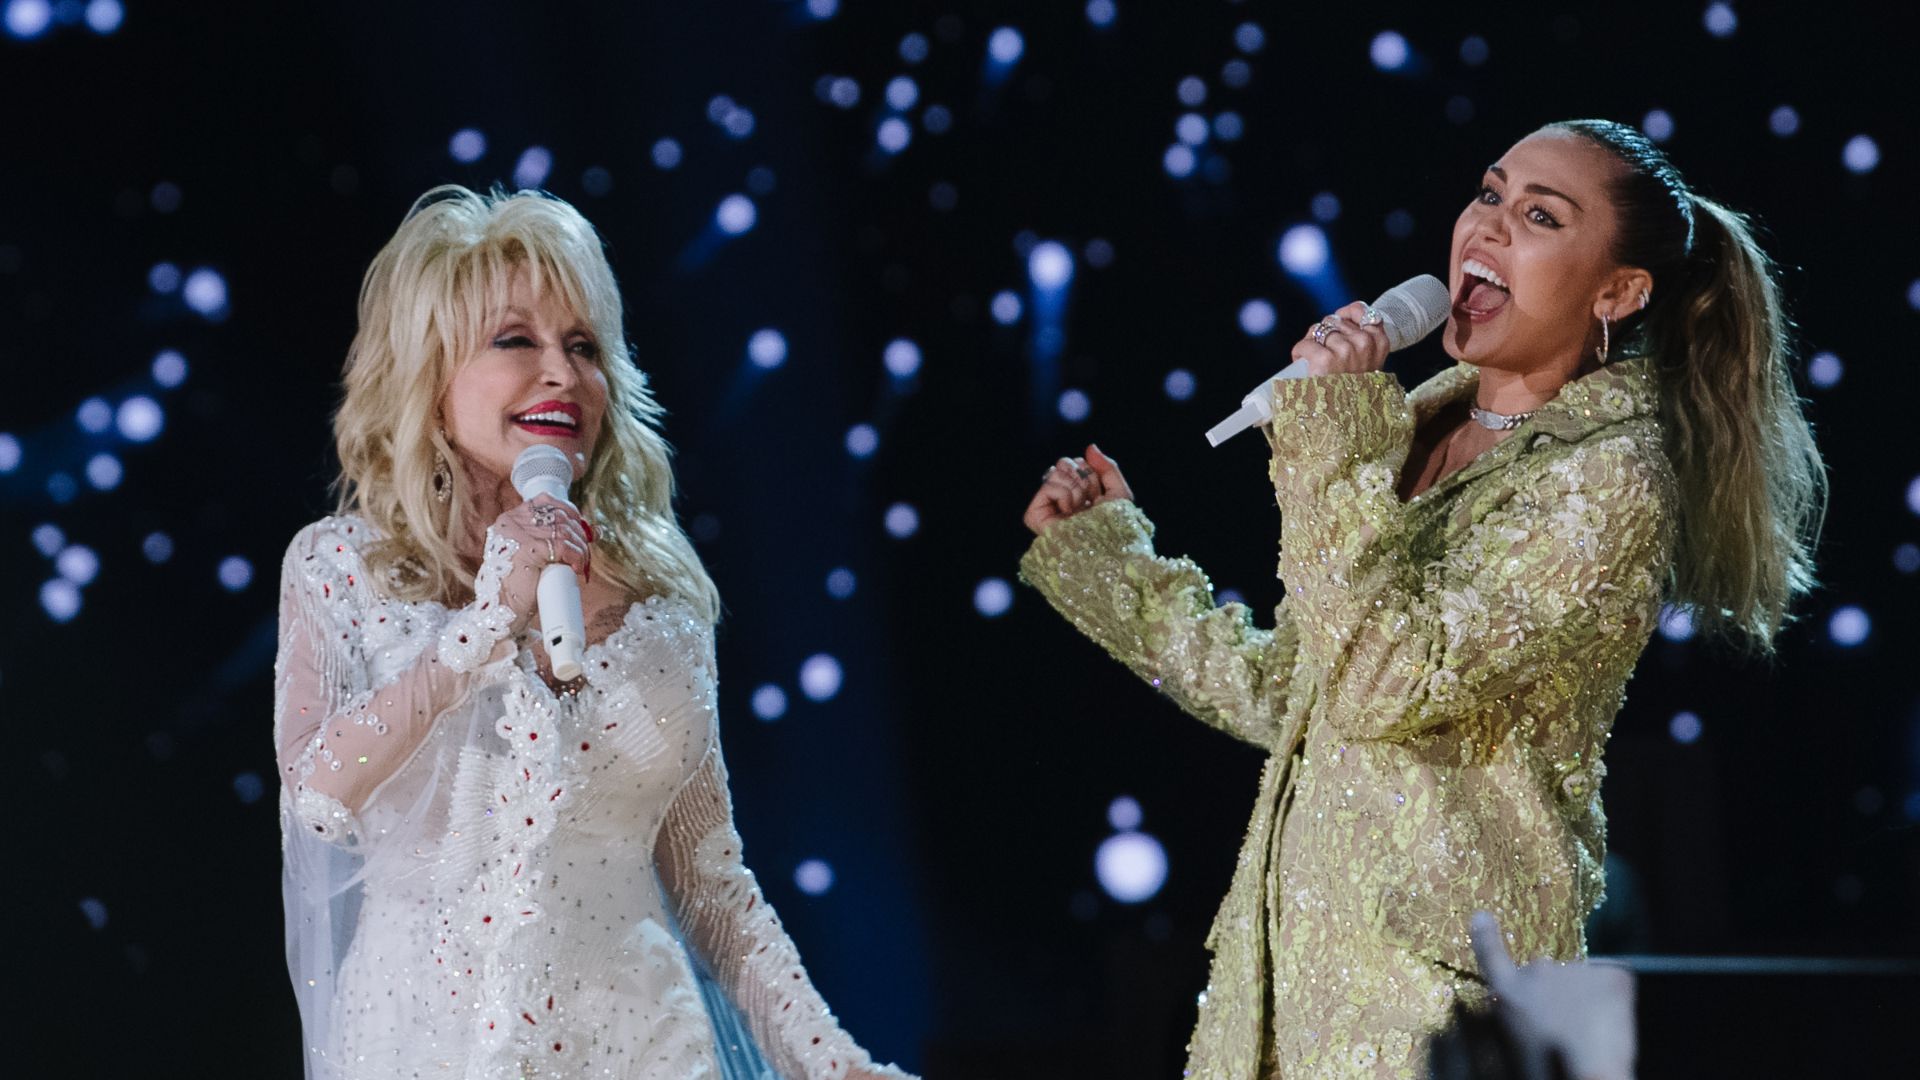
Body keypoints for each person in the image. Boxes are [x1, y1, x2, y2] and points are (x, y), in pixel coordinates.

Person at [1018, 119, 1824, 1078]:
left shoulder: (1613, 478)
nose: (1486, 227)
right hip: (1284, 1009)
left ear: (1618, 289)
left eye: (1538, 215)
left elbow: (1380, 681)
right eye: (1489, 193)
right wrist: (1109, 559)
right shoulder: (1413, 431)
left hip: (1430, 1026)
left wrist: (1327, 429)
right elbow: (1302, 696)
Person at [274, 185, 910, 1080]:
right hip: (429, 1046)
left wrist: (835, 1063)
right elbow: (316, 791)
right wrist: (489, 622)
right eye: (515, 341)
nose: (562, 375)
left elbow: (713, 887)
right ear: (427, 374)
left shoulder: (665, 596)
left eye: (583, 347)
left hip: (644, 1048)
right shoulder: (344, 567)